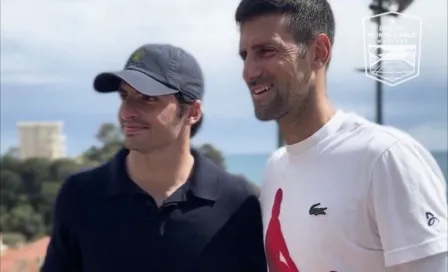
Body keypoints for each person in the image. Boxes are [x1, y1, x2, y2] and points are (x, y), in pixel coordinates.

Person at [235, 0, 448, 272]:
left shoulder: (384, 158)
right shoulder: (276, 167)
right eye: (245, 55)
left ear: (318, 52)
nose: (249, 72)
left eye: (266, 51)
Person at [41, 44, 267, 272]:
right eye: (124, 96)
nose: (126, 112)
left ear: (192, 112)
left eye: (148, 98)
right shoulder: (80, 196)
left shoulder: (237, 201)